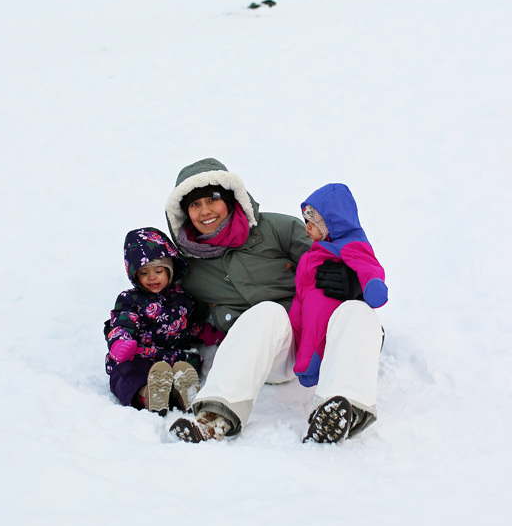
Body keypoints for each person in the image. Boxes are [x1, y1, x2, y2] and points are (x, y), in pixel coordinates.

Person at [165, 158, 384, 444]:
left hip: (321, 333)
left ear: (231, 199)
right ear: (184, 213)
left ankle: (342, 411)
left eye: (213, 199)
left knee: (359, 311)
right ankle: (215, 417)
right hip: (275, 350)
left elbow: (338, 251)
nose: (205, 210)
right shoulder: (189, 270)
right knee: (267, 311)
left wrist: (353, 283)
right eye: (195, 205)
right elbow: (169, 314)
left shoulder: (274, 228)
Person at [289, 183, 388, 441]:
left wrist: (370, 285)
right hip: (309, 315)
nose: (307, 227)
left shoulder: (350, 244)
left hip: (334, 319)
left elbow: (369, 266)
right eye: (306, 220)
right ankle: (316, 386)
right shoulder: (311, 255)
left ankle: (332, 410)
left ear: (333, 222)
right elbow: (300, 295)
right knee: (307, 354)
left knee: (327, 343)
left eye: (314, 221)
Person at [104, 227, 202, 416]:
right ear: (134, 275)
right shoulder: (129, 299)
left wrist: (207, 333)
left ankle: (182, 391)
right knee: (127, 372)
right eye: (144, 273)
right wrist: (121, 342)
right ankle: (148, 394)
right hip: (138, 355)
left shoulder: (184, 299)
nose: (152, 277)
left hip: (172, 357)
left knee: (182, 366)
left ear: (170, 271)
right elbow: (123, 322)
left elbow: (190, 326)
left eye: (158, 270)